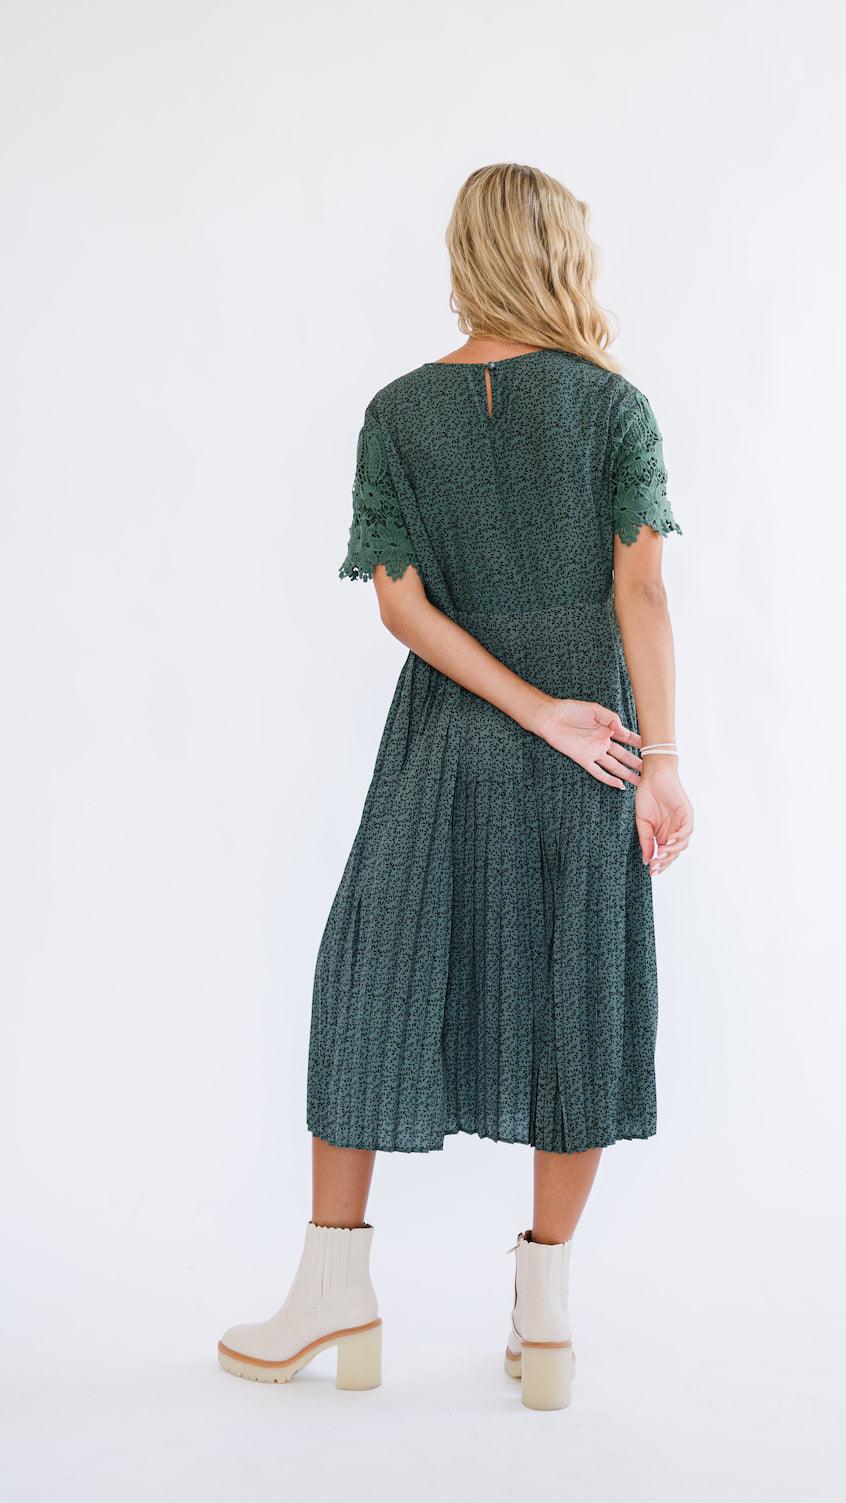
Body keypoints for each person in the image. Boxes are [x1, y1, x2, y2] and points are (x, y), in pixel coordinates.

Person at [217, 162, 693, 1410]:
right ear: (564, 255)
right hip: (597, 741)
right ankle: (545, 1315)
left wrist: (518, 706)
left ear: (465, 254)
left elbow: (400, 606)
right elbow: (641, 590)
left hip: (445, 734)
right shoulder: (614, 408)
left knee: (369, 983)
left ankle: (333, 1292)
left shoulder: (397, 412)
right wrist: (658, 761)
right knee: (576, 996)